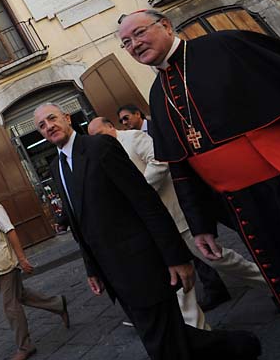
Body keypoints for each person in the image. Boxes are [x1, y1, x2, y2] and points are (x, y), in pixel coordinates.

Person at [118, 9, 280, 360]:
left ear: (165, 25)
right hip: (249, 208)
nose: (134, 44)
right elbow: (181, 167)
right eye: (126, 42)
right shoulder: (157, 93)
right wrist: (201, 226)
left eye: (138, 33)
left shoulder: (226, 46)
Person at [33, 103, 261, 360]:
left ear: (67, 118)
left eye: (52, 118)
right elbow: (80, 222)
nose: (49, 126)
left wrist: (175, 257)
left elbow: (144, 200)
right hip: (114, 274)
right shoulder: (57, 166)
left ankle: (240, 345)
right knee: (170, 337)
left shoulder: (100, 147)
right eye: (41, 125)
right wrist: (92, 269)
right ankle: (241, 345)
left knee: (161, 342)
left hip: (142, 262)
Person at [88, 117, 266, 328]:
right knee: (177, 279)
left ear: (110, 126)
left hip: (176, 217)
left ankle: (271, 283)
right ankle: (198, 329)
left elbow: (160, 161)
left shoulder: (134, 138)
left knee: (218, 259)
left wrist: (141, 191)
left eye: (100, 134)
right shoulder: (107, 153)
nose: (98, 141)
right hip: (156, 227)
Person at [118, 105, 235, 311]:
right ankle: (213, 288)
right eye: (121, 121)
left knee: (226, 228)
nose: (124, 123)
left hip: (194, 189)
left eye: (126, 118)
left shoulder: (156, 129)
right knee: (195, 249)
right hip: (174, 204)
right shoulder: (126, 143)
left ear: (137, 114)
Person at [0, 177, 69, 360]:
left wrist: (21, 258)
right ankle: (58, 304)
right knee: (21, 295)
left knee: (10, 306)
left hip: (5, 264)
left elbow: (10, 231)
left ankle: (25, 346)